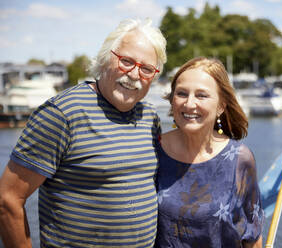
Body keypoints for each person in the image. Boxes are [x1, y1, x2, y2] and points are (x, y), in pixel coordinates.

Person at [0, 18, 166, 247]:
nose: (135, 75)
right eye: (126, 61)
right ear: (106, 58)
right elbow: (8, 200)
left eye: (147, 69)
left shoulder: (150, 117)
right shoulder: (62, 114)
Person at [155, 57, 264, 248]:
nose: (189, 104)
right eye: (181, 93)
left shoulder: (240, 159)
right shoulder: (154, 150)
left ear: (221, 106)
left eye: (201, 95)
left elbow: (252, 237)